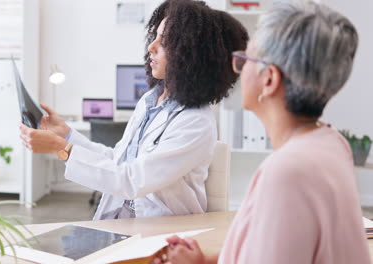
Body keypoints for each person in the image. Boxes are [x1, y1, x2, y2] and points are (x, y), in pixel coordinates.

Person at [158, 1, 371, 263]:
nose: (238, 67)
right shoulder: (333, 142)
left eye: (245, 58)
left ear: (269, 80)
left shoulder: (287, 172)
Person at [19, 0, 248, 220]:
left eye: (165, 42)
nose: (151, 47)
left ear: (193, 56)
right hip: (119, 222)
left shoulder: (195, 122)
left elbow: (131, 181)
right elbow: (119, 161)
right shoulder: (151, 101)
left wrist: (63, 150)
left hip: (160, 234)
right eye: (155, 37)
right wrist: (66, 136)